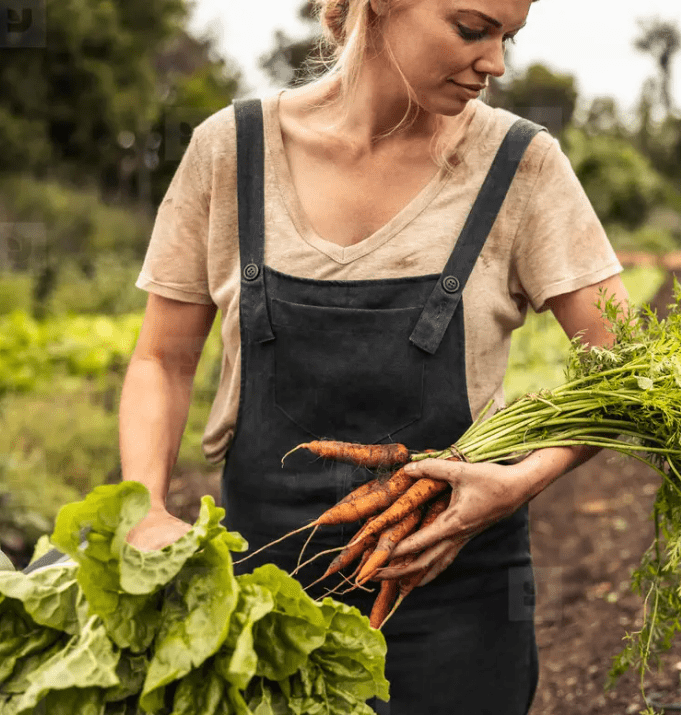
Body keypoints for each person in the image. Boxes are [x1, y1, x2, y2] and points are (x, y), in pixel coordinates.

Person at [122, 0, 628, 712]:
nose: (497, 63)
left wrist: (520, 481)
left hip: (454, 601)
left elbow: (624, 371)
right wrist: (144, 502)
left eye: (508, 37)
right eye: (471, 28)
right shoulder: (232, 151)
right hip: (263, 598)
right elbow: (161, 360)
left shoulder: (520, 165)